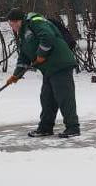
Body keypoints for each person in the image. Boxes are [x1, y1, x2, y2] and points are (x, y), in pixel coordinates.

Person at [6, 8, 79, 138]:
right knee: (47, 99)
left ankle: (73, 127)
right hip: (49, 69)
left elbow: (47, 36)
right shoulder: (23, 33)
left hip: (60, 64)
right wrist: (16, 75)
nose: (11, 27)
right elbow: (24, 57)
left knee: (64, 97)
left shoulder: (35, 21)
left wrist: (41, 54)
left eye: (12, 23)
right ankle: (45, 128)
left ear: (18, 21)